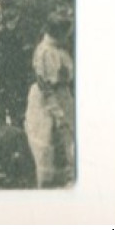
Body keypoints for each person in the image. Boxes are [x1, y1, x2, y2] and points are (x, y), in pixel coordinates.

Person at [24, 10, 74, 188]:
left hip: (62, 97)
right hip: (49, 101)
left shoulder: (58, 48)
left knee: (67, 137)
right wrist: (58, 112)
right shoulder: (46, 52)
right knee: (47, 140)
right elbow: (47, 87)